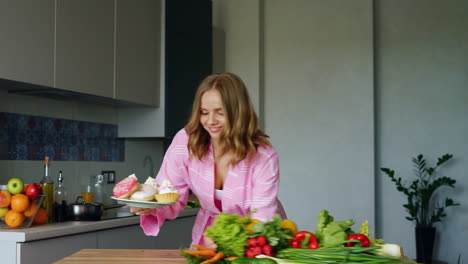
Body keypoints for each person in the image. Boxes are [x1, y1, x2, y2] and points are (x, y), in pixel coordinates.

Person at [130, 72, 286, 246]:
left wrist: (229, 240)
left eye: (220, 113)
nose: (211, 121)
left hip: (255, 240)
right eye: (204, 112)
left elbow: (262, 218)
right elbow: (167, 193)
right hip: (209, 238)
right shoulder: (186, 142)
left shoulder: (263, 156)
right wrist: (150, 208)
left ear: (238, 113)